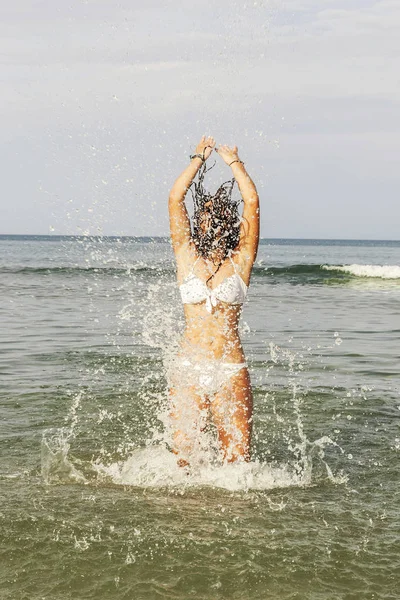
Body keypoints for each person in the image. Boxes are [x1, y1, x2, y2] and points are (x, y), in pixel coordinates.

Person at [168, 135, 260, 468]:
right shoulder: (186, 254)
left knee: (237, 464)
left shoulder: (241, 260)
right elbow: (175, 198)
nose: (212, 220)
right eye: (206, 215)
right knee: (184, 464)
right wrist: (197, 159)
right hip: (189, 368)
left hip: (230, 368)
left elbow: (251, 202)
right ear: (199, 223)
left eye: (218, 214)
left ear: (230, 222)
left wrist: (234, 161)